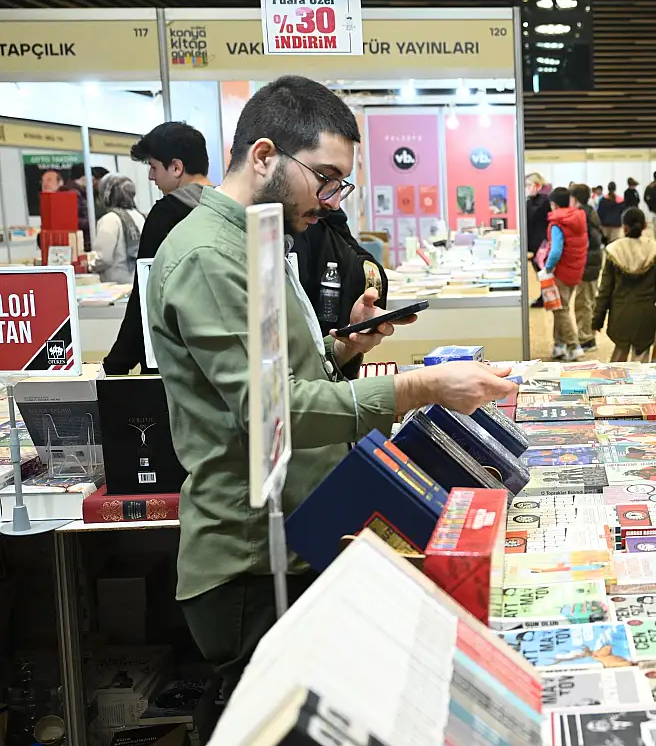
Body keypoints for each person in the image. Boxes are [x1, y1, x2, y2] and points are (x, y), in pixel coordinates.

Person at [147, 75, 515, 694]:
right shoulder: (211, 256)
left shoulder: (258, 238)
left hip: (296, 536)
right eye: (323, 177)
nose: (332, 199)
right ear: (264, 157)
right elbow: (276, 410)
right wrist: (421, 387)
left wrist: (341, 347)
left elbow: (277, 373)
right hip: (253, 563)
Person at [103, 121, 213, 376]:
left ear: (177, 167)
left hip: (171, 362)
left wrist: (117, 365)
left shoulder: (166, 213)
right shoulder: (228, 208)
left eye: (153, 167)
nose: (151, 177)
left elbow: (146, 294)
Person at [593, 207, 656, 362]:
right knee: (642, 360)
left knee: (618, 358)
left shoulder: (614, 250)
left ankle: (614, 385)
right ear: (645, 226)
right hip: (647, 315)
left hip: (620, 315)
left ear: (624, 227)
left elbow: (605, 290)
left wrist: (597, 319)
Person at [292, 207, 388, 327]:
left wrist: (340, 346)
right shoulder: (306, 228)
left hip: (337, 333)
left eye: (339, 190)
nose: (335, 203)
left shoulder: (332, 222)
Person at [544, 186, 589, 361]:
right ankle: (559, 346)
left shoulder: (558, 223)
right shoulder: (578, 218)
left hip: (561, 271)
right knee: (560, 308)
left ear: (554, 204)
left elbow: (556, 251)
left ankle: (573, 345)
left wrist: (548, 267)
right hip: (575, 270)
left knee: (560, 309)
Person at [570, 183, 605, 353]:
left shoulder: (580, 215)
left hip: (587, 263)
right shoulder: (591, 212)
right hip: (594, 261)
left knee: (583, 302)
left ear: (574, 199)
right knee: (588, 300)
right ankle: (588, 335)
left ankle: (586, 338)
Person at [91, 175, 146, 284]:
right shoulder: (140, 216)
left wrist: (89, 265)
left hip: (116, 285)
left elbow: (104, 258)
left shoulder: (110, 219)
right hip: (139, 281)